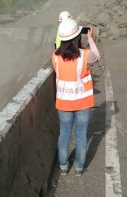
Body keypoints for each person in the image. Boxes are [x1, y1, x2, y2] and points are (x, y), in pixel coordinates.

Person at [52, 18, 100, 176]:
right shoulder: (86, 55)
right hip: (83, 104)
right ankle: (79, 168)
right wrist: (91, 39)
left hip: (64, 105)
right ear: (77, 37)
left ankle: (64, 167)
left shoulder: (55, 56)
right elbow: (97, 56)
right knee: (81, 136)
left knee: (64, 135)